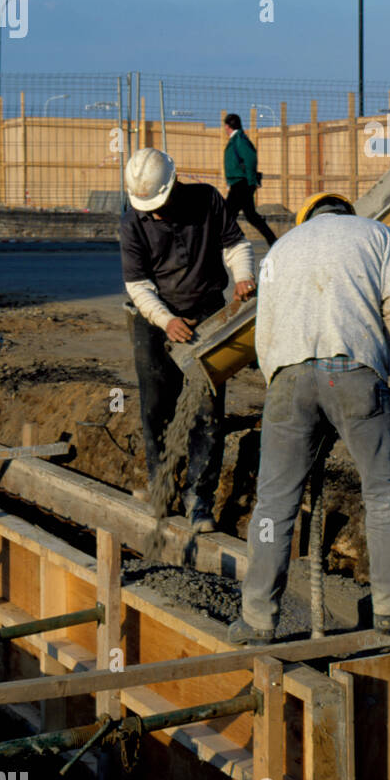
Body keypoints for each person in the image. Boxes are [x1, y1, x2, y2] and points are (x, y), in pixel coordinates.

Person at [229, 191, 390, 644]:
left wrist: (282, 380)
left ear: (307, 216)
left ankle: (257, 621)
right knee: (383, 492)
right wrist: (379, 365)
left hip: (287, 376)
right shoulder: (378, 235)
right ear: (347, 213)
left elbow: (263, 325)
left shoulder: (284, 246)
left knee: (273, 502)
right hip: (354, 373)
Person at [120, 147, 256, 532]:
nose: (155, 212)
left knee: (207, 413)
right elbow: (138, 284)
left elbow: (235, 245)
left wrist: (243, 275)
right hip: (155, 324)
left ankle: (200, 501)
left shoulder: (207, 199)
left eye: (159, 203)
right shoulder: (132, 223)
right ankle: (161, 488)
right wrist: (166, 320)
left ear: (174, 182)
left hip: (209, 318)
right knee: (156, 408)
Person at [223, 113, 277, 247]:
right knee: (250, 215)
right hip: (238, 182)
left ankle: (231, 242)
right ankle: (273, 241)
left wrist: (251, 181)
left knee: (228, 215)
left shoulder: (239, 139)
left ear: (227, 126)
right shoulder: (236, 139)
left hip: (242, 183)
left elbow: (250, 159)